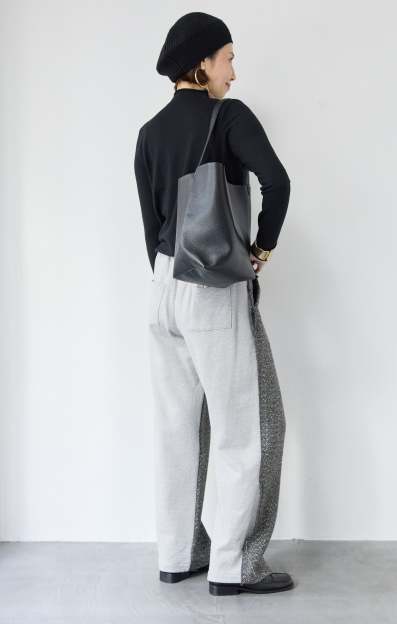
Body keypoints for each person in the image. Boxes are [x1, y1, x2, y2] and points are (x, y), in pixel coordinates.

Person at [134, 11, 294, 596]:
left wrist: (169, 278)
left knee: (176, 427)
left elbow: (150, 224)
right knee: (242, 429)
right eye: (228, 57)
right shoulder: (229, 116)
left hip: (162, 287)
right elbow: (278, 183)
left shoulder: (149, 132)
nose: (233, 70)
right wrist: (260, 251)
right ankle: (234, 565)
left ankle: (178, 555)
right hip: (212, 289)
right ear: (201, 63)